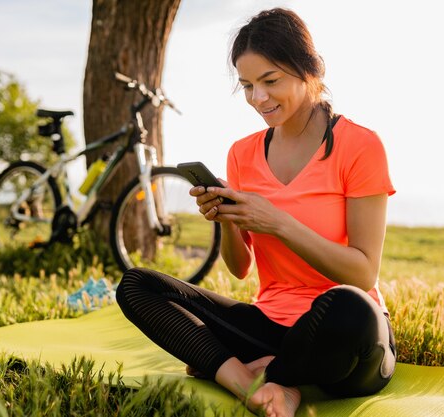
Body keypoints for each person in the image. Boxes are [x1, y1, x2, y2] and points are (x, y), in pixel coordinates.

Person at [116, 7, 396, 417]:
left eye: (270, 81)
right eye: (247, 85)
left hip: (343, 334)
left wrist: (277, 222)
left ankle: (263, 371)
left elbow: (362, 273)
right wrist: (230, 220)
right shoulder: (243, 153)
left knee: (350, 308)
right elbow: (240, 268)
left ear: (308, 70)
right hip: (270, 325)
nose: (258, 98)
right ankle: (249, 381)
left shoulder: (359, 145)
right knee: (136, 285)